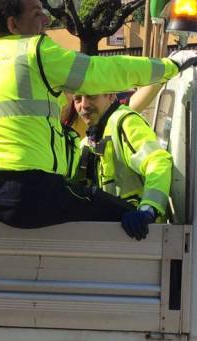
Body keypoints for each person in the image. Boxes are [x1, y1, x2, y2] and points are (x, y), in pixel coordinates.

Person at [0, 0, 197, 236]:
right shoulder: (35, 51)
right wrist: (168, 66)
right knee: (116, 213)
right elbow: (102, 71)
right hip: (28, 193)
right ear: (12, 24)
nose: (45, 20)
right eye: (37, 14)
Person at [72, 92, 173, 240]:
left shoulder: (124, 122)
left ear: (111, 96)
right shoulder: (89, 140)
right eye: (78, 99)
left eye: (92, 96)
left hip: (144, 235)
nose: (84, 105)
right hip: (118, 237)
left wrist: (148, 210)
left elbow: (158, 162)